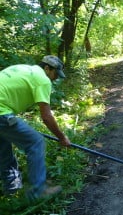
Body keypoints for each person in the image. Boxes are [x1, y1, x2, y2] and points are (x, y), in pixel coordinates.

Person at [0, 55, 71, 201]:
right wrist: (62, 137)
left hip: (3, 112)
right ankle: (39, 191)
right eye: (55, 74)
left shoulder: (24, 68)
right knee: (35, 142)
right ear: (47, 68)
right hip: (2, 113)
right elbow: (46, 117)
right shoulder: (43, 80)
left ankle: (12, 191)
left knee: (3, 148)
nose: (56, 78)